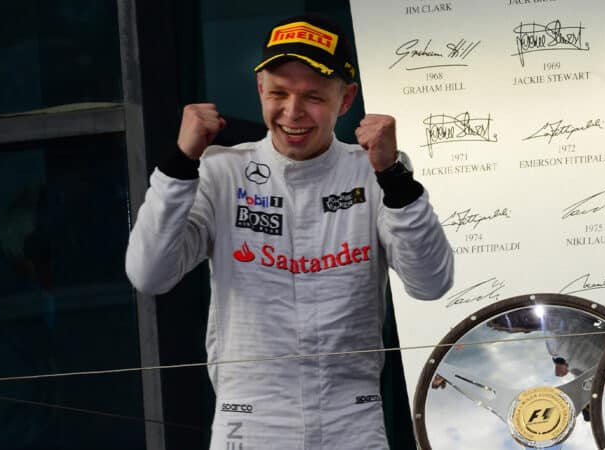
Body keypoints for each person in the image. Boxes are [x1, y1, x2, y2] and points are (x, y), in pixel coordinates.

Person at [125, 14, 454, 449]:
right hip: (249, 416)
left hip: (351, 419)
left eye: (313, 96)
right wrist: (178, 164)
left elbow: (431, 283)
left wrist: (394, 176)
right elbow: (149, 274)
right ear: (260, 88)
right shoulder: (220, 171)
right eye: (278, 93)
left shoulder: (375, 171)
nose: (293, 112)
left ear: (346, 98)